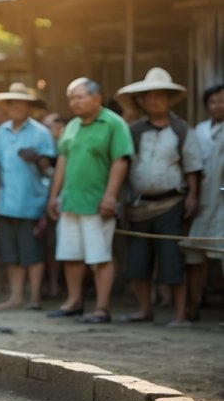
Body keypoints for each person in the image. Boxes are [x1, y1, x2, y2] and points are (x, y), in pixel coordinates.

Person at [115, 68, 203, 327]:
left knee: (172, 259)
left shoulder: (181, 130)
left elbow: (192, 167)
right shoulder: (133, 131)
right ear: (141, 101)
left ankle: (179, 315)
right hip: (139, 205)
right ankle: (145, 310)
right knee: (138, 261)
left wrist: (193, 197)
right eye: (150, 97)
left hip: (171, 204)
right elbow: (122, 164)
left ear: (168, 99)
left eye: (161, 96)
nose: (155, 101)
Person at [46, 77, 134, 325]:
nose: (75, 102)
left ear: (97, 97)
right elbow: (62, 161)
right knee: (70, 255)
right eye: (72, 98)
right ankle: (73, 303)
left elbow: (121, 160)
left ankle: (101, 309)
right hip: (70, 201)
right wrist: (54, 196)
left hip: (97, 203)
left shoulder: (114, 124)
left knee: (100, 256)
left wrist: (110, 196)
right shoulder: (71, 126)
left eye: (80, 96)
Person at [0, 82, 56, 311]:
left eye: (22, 102)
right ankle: (16, 296)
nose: (17, 106)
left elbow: (50, 169)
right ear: (7, 106)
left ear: (29, 106)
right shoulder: (0, 132)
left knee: (33, 253)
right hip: (7, 201)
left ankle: (35, 297)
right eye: (13, 102)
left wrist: (39, 159)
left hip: (32, 200)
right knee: (10, 252)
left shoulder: (41, 133)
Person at [180, 84, 224, 322]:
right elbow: (192, 166)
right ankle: (193, 307)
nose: (218, 105)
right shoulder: (199, 130)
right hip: (203, 200)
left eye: (223, 100)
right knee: (195, 255)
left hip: (223, 201)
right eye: (214, 101)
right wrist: (192, 195)